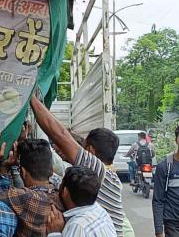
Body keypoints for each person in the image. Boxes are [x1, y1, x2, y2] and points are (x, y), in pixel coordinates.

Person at [30, 96, 124, 236]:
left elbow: (60, 135)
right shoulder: (108, 181)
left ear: (90, 151)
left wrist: (30, 97)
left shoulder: (97, 170)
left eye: (83, 147)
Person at [0, 128, 63, 237]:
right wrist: (4, 169)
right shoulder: (62, 194)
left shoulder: (24, 197)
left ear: (22, 172)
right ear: (52, 170)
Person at [46, 166, 116, 236]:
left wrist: (54, 233)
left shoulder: (77, 225)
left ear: (65, 192)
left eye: (61, 183)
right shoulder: (100, 211)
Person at [152, 126, 179, 237]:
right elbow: (157, 200)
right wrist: (159, 231)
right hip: (172, 224)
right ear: (176, 139)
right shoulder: (165, 166)